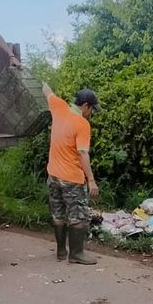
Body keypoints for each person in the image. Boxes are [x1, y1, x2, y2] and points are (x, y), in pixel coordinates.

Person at [42, 82, 101, 265]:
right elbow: (82, 153)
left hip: (53, 175)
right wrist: (91, 180)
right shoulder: (82, 124)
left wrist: (22, 67)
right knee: (78, 217)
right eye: (91, 109)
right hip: (71, 179)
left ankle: (61, 251)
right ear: (85, 106)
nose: (91, 113)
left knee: (58, 214)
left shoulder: (58, 107)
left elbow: (46, 90)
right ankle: (76, 254)